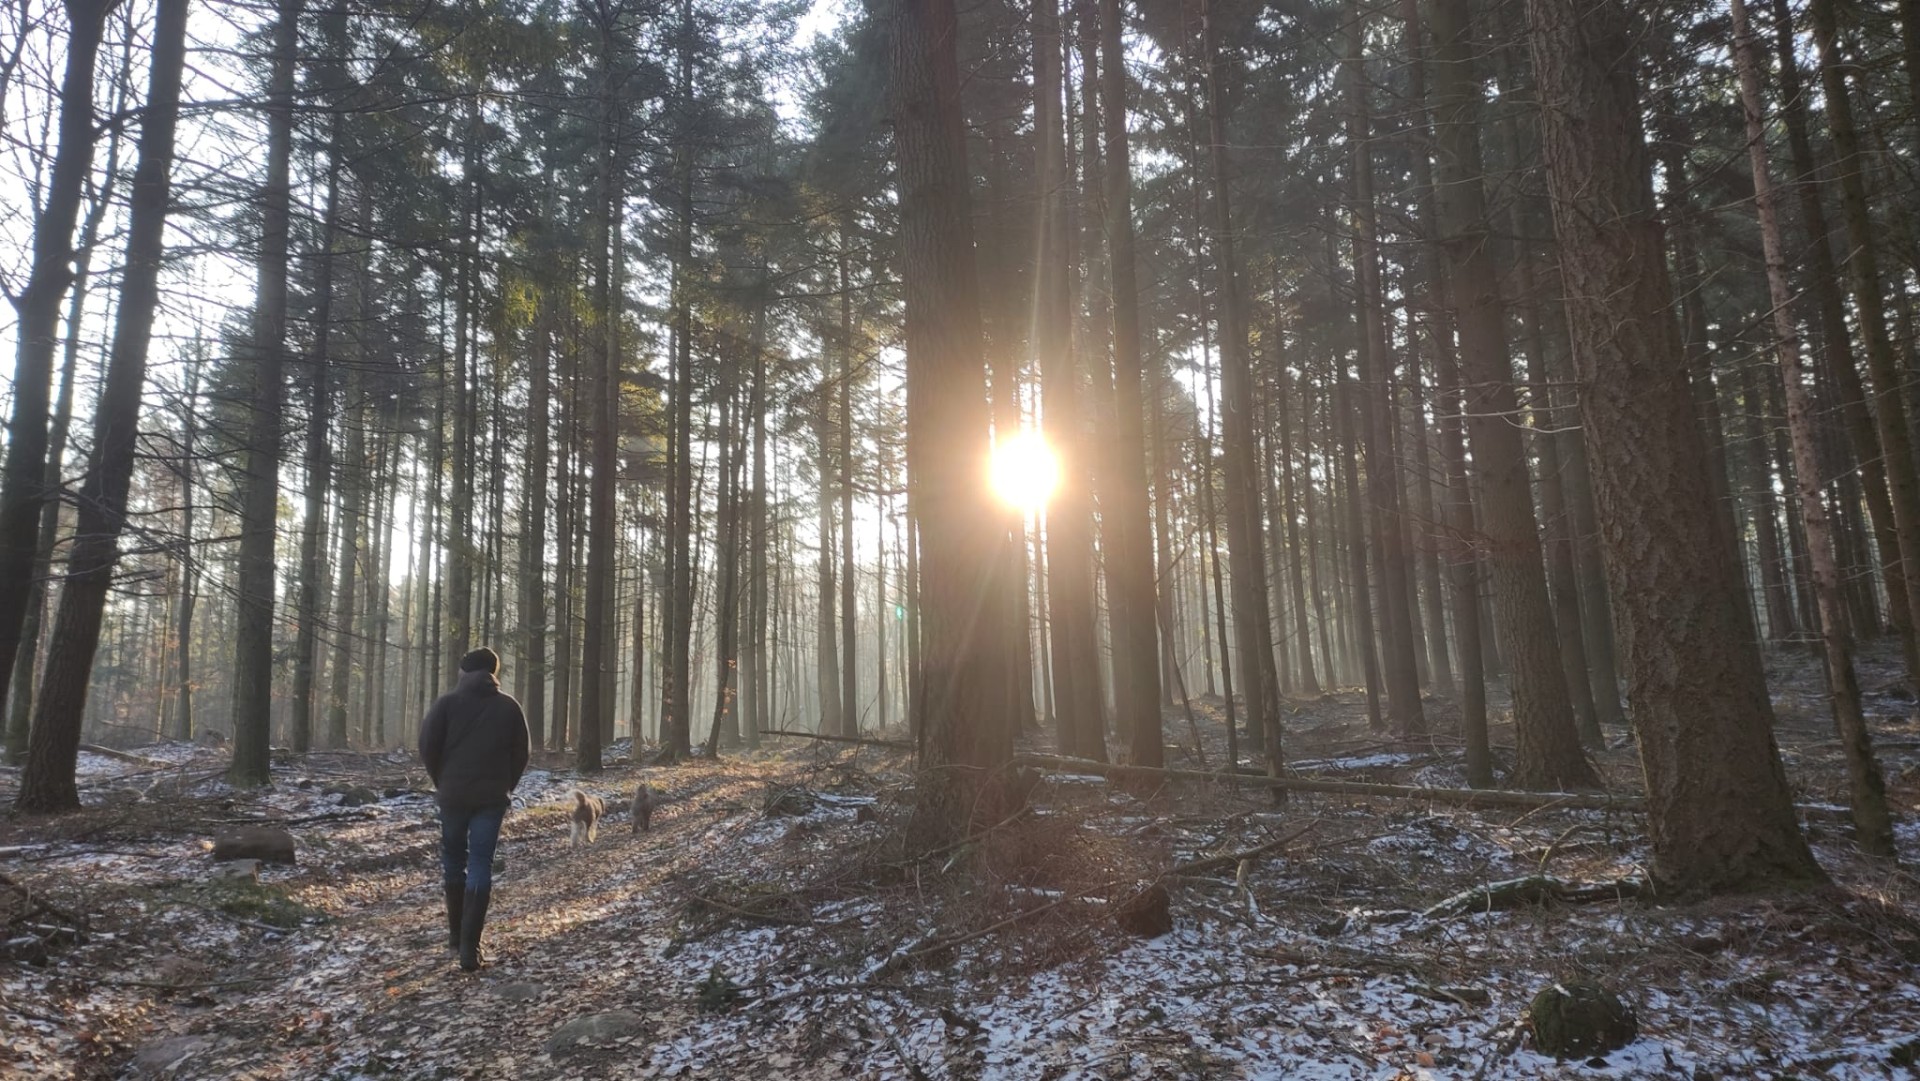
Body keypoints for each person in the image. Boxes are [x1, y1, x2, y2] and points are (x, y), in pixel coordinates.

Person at [419, 647, 530, 972]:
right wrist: (506, 784)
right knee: (480, 863)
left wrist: (443, 781)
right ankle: (470, 946)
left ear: (465, 672)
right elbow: (521, 753)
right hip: (491, 799)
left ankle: (456, 938)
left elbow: (427, 747)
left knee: (453, 863)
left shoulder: (447, 704)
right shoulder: (509, 707)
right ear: (493, 672)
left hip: (453, 797)